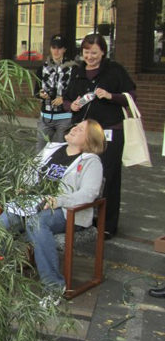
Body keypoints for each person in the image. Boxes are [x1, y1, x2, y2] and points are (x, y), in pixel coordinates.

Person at [0, 119, 106, 303]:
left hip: (67, 211)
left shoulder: (91, 161)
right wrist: (22, 186)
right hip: (32, 204)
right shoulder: (52, 148)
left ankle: (54, 287)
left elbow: (89, 194)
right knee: (1, 223)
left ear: (89, 141)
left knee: (37, 222)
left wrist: (58, 200)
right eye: (76, 126)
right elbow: (28, 172)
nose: (73, 129)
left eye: (80, 130)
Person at [64, 33, 136, 239]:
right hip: (81, 131)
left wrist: (111, 96)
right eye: (86, 52)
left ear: (103, 51)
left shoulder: (115, 71)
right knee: (79, 173)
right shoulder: (77, 71)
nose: (90, 56)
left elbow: (131, 97)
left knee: (109, 176)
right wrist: (73, 105)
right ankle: (82, 219)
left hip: (109, 131)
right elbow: (68, 99)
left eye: (94, 52)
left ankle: (107, 225)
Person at [34, 34, 76, 153]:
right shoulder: (42, 68)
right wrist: (41, 94)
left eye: (59, 47)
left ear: (64, 49)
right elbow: (36, 91)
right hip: (46, 116)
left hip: (65, 117)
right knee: (40, 150)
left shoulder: (73, 68)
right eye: (53, 47)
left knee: (62, 151)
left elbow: (76, 90)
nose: (56, 51)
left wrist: (64, 98)